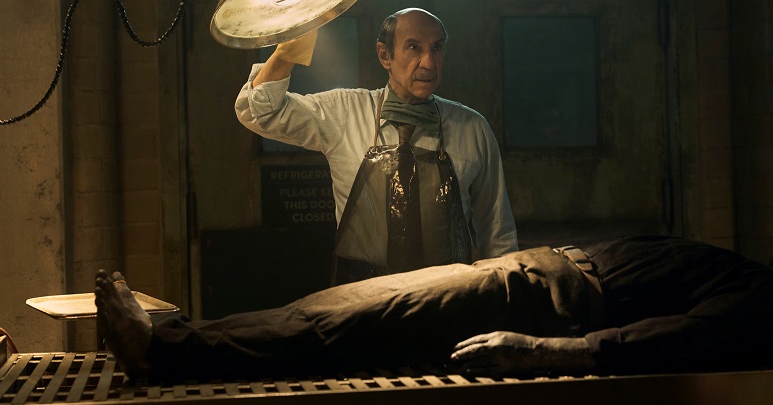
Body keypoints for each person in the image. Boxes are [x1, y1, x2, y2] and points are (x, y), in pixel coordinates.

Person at [95, 235, 773, 383]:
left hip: (536, 302)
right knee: (332, 308)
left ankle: (163, 351)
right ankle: (177, 340)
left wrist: (541, 350)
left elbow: (679, 339)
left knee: (339, 324)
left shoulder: (764, 300)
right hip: (526, 275)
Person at [235, 8, 518, 283]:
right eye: (414, 48)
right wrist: (286, 53)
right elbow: (259, 112)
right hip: (361, 299)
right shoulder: (344, 113)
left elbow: (498, 236)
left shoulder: (473, 129)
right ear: (385, 55)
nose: (429, 63)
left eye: (437, 48)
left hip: (446, 298)